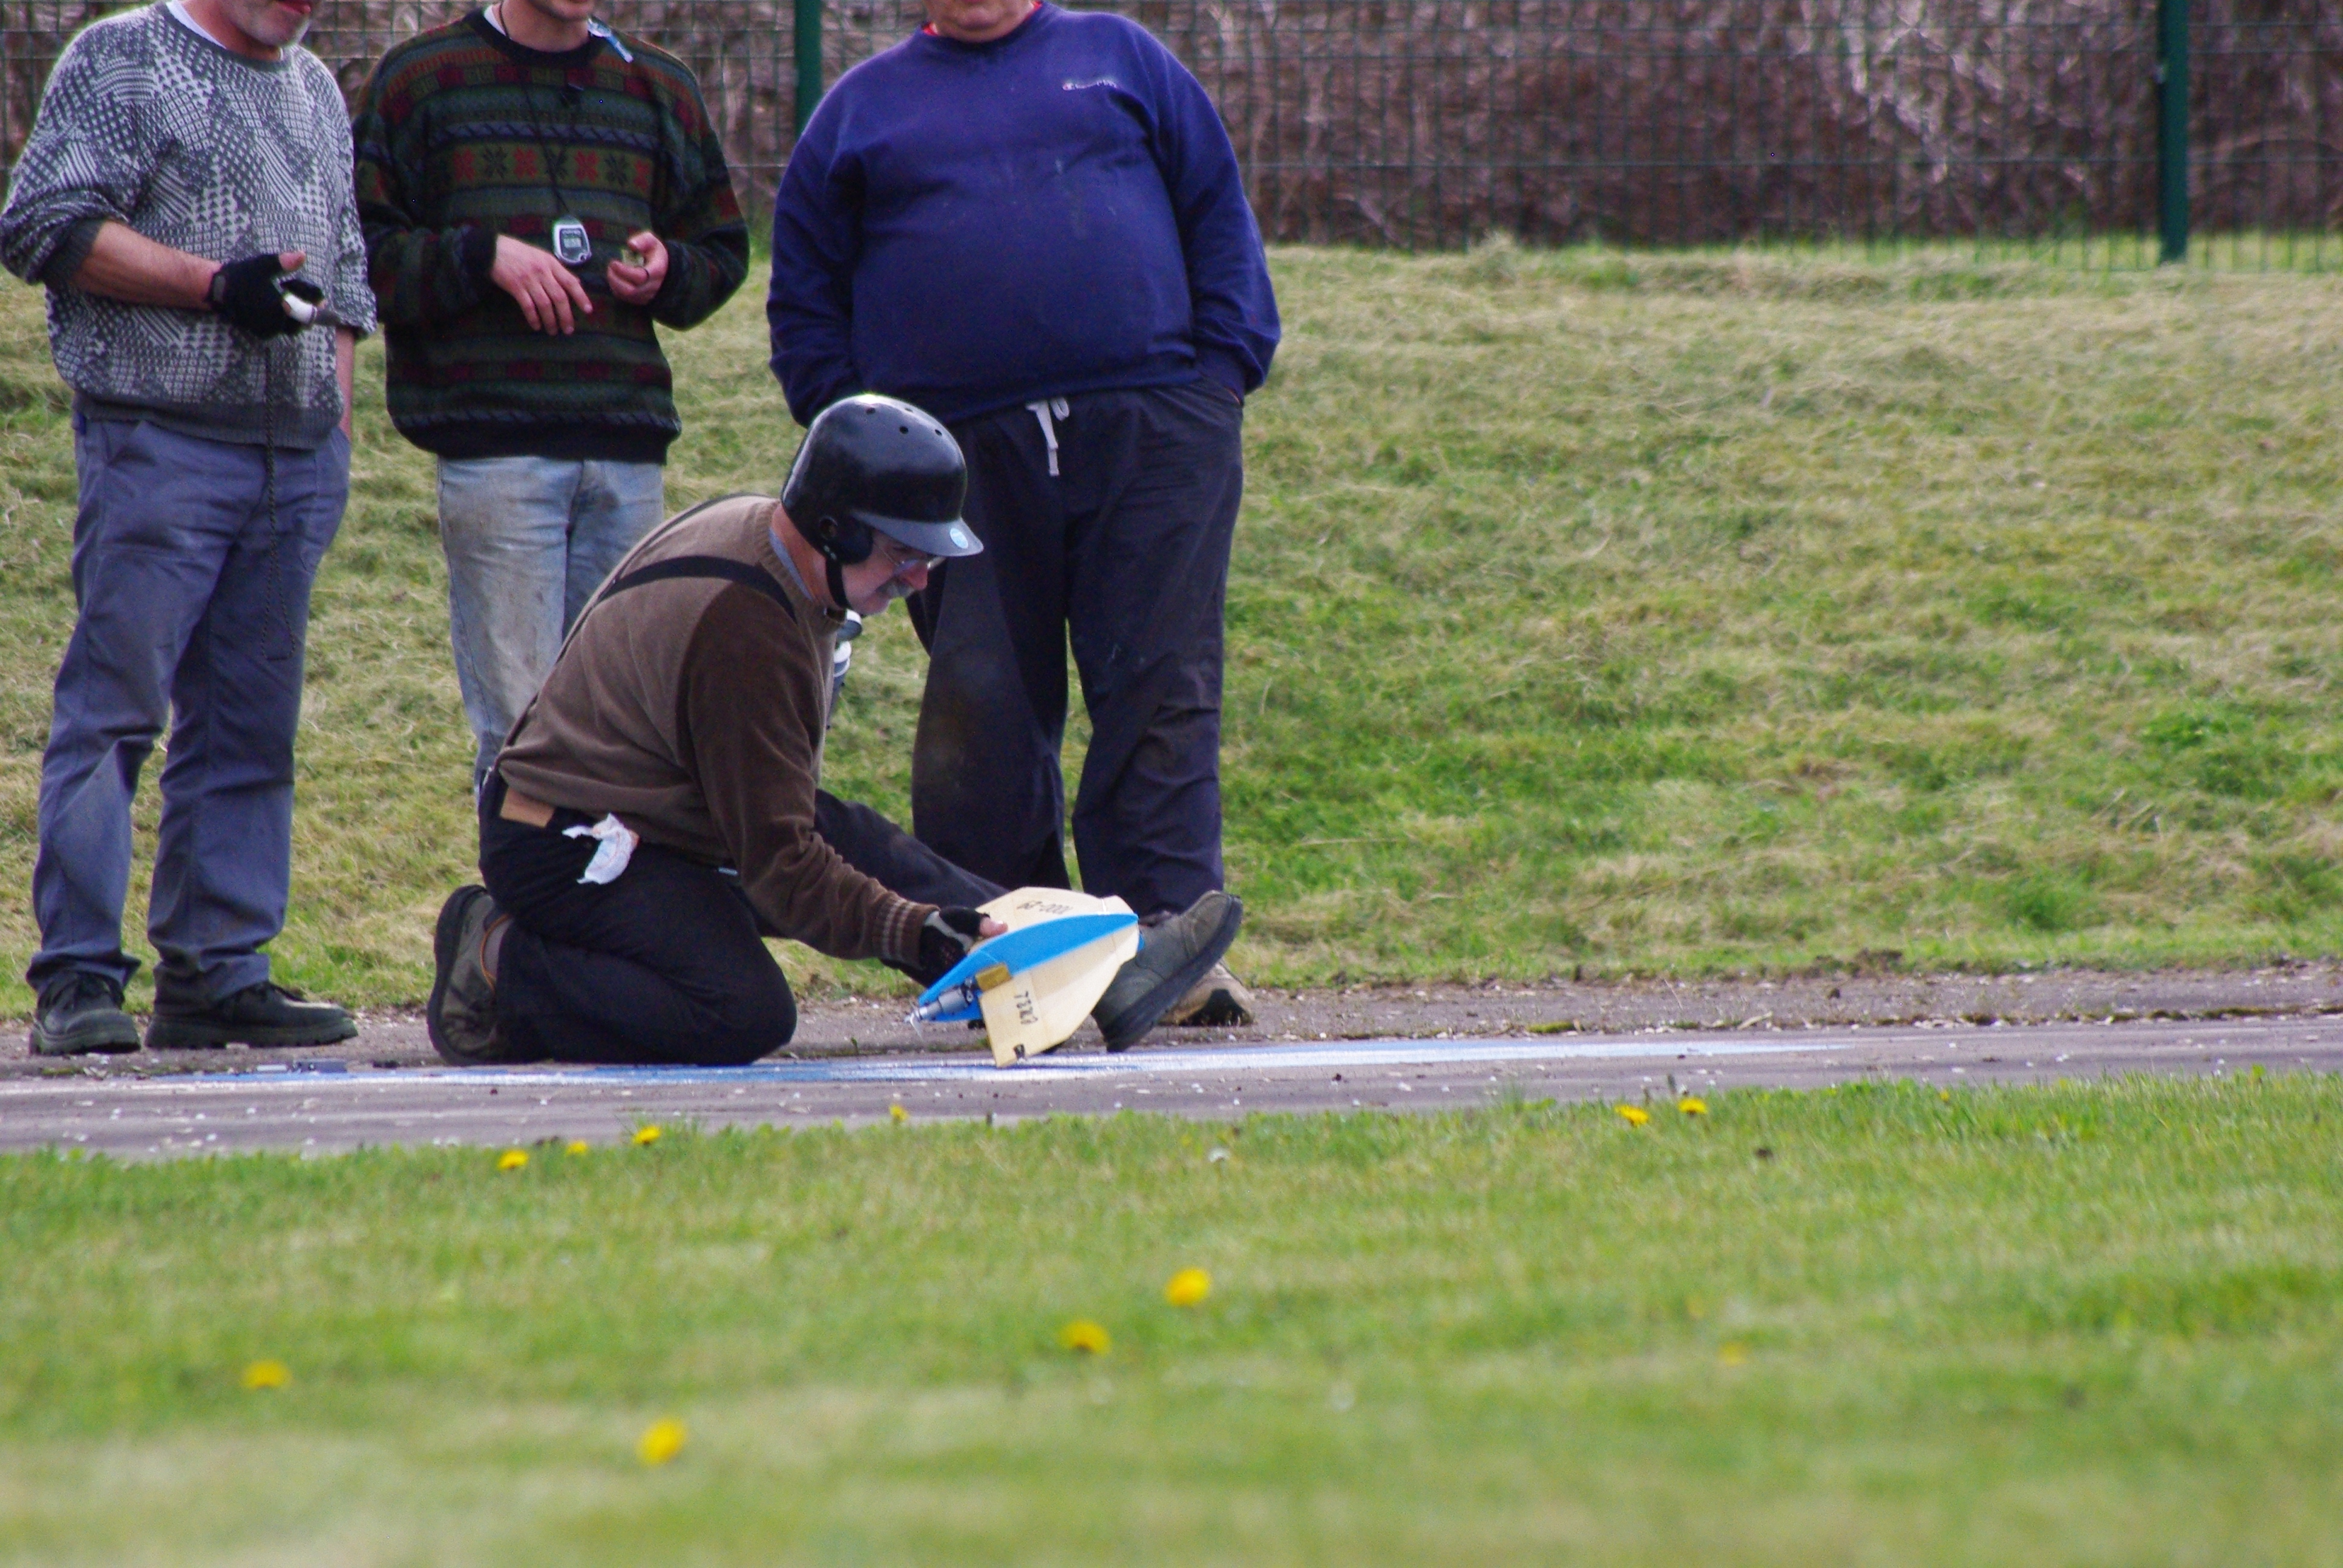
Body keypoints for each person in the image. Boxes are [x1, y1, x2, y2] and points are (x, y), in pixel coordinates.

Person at [426, 394, 1243, 1067]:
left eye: (930, 557)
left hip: (650, 814)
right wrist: (915, 933)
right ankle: (496, 962)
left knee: (863, 844)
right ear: (836, 529)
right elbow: (782, 869)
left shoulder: (777, 555)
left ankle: (1103, 964)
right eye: (904, 552)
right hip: (563, 844)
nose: (919, 577)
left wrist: (926, 925)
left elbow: (790, 834)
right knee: (739, 1011)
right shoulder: (749, 630)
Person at [766, 0, 1279, 1028]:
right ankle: (1013, 961)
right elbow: (806, 299)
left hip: (1156, 433)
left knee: (1161, 690)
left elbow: (1217, 214)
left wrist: (1218, 379)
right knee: (984, 712)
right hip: (954, 463)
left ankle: (1169, 947)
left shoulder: (1121, 57)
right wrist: (872, 449)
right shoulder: (859, 112)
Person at [0, 0, 376, 1056]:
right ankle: (78, 976)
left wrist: (337, 426)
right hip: (158, 441)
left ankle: (218, 971)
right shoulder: (122, 58)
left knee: (252, 727)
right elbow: (45, 225)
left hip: (293, 455)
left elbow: (346, 270)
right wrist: (213, 286)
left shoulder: (315, 87)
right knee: (114, 713)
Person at [352, 0, 750, 788]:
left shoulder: (658, 84)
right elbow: (361, 254)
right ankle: (524, 871)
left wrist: (669, 270)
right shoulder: (423, 79)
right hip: (494, 452)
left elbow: (722, 250)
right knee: (523, 731)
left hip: (626, 447)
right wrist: (482, 258)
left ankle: (608, 873)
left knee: (627, 726)